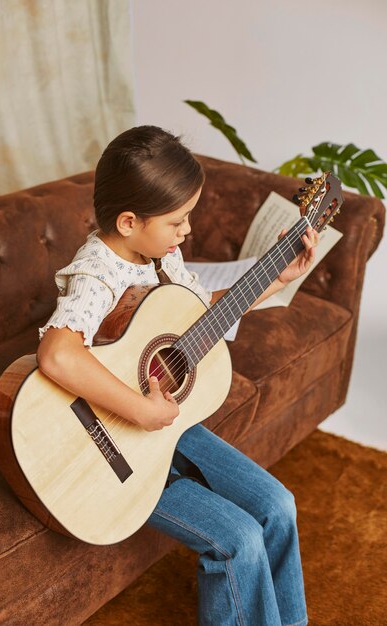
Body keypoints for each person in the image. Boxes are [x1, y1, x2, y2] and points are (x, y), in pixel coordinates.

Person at [37, 125, 317, 626]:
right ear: (128, 221)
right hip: (110, 449)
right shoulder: (97, 272)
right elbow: (58, 355)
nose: (186, 231)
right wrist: (142, 408)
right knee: (238, 541)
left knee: (279, 505)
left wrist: (273, 279)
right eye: (177, 221)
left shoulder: (158, 255)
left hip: (166, 429)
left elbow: (193, 315)